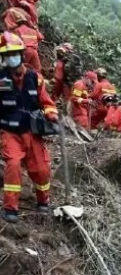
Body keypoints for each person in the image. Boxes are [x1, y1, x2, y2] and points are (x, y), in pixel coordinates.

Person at [0, 32, 58, 223]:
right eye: (8, 55)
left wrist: (51, 114)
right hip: (9, 132)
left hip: (32, 132)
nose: (12, 58)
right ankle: (10, 208)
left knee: (41, 169)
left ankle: (43, 201)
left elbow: (47, 101)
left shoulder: (35, 78)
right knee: (14, 165)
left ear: (23, 54)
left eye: (15, 53)